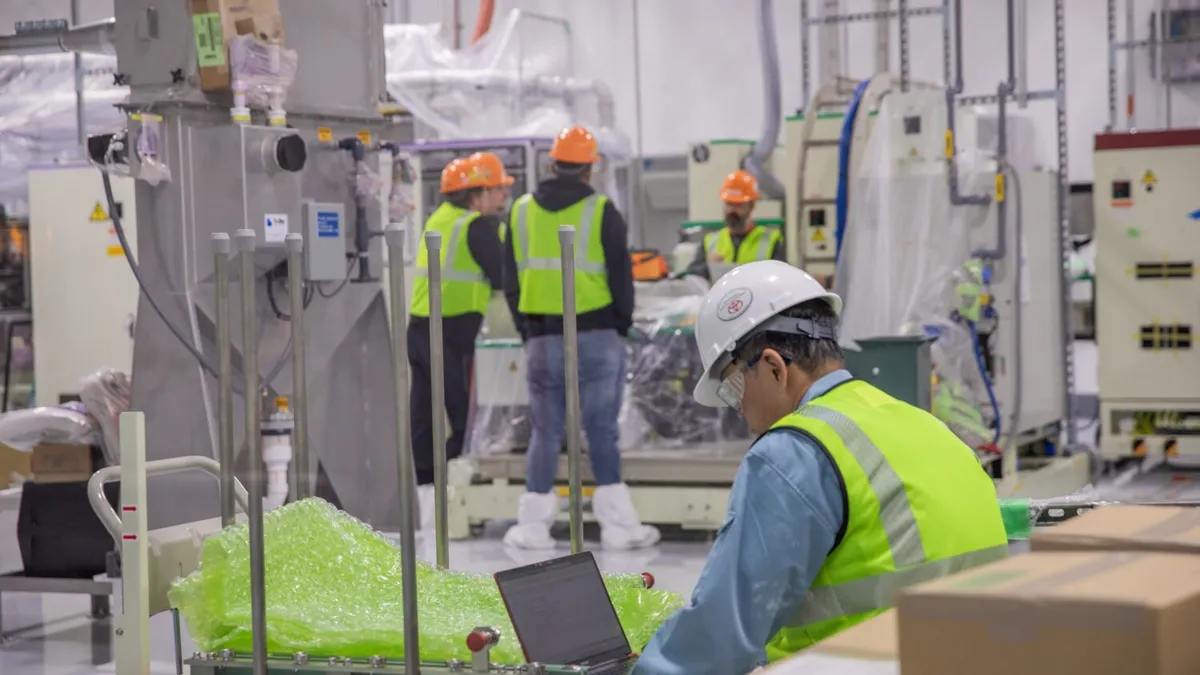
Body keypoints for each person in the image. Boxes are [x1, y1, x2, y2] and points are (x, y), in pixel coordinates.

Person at [633, 260, 1008, 674]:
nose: (736, 409)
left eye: (732, 386)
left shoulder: (793, 453)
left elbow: (721, 634)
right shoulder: (923, 424)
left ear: (775, 367)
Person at [501, 125, 660, 551]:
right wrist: (620, 325)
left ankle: (533, 527)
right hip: (597, 335)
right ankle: (619, 529)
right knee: (601, 429)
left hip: (542, 338)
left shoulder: (519, 212)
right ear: (590, 169)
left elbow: (510, 281)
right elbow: (621, 279)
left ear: (552, 164)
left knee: (546, 430)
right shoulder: (603, 211)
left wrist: (528, 331)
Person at [410, 153, 512, 553]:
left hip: (419, 329)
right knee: (467, 419)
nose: (503, 195)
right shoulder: (477, 226)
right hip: (454, 333)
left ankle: (427, 507)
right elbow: (504, 275)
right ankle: (456, 504)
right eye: (498, 189)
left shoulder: (437, 220)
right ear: (478, 194)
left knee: (424, 417)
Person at [683, 170, 786, 283]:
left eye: (738, 205)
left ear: (751, 206)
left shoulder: (771, 240)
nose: (732, 210)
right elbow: (693, 276)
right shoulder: (711, 241)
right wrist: (708, 267)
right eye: (729, 204)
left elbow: (781, 277)